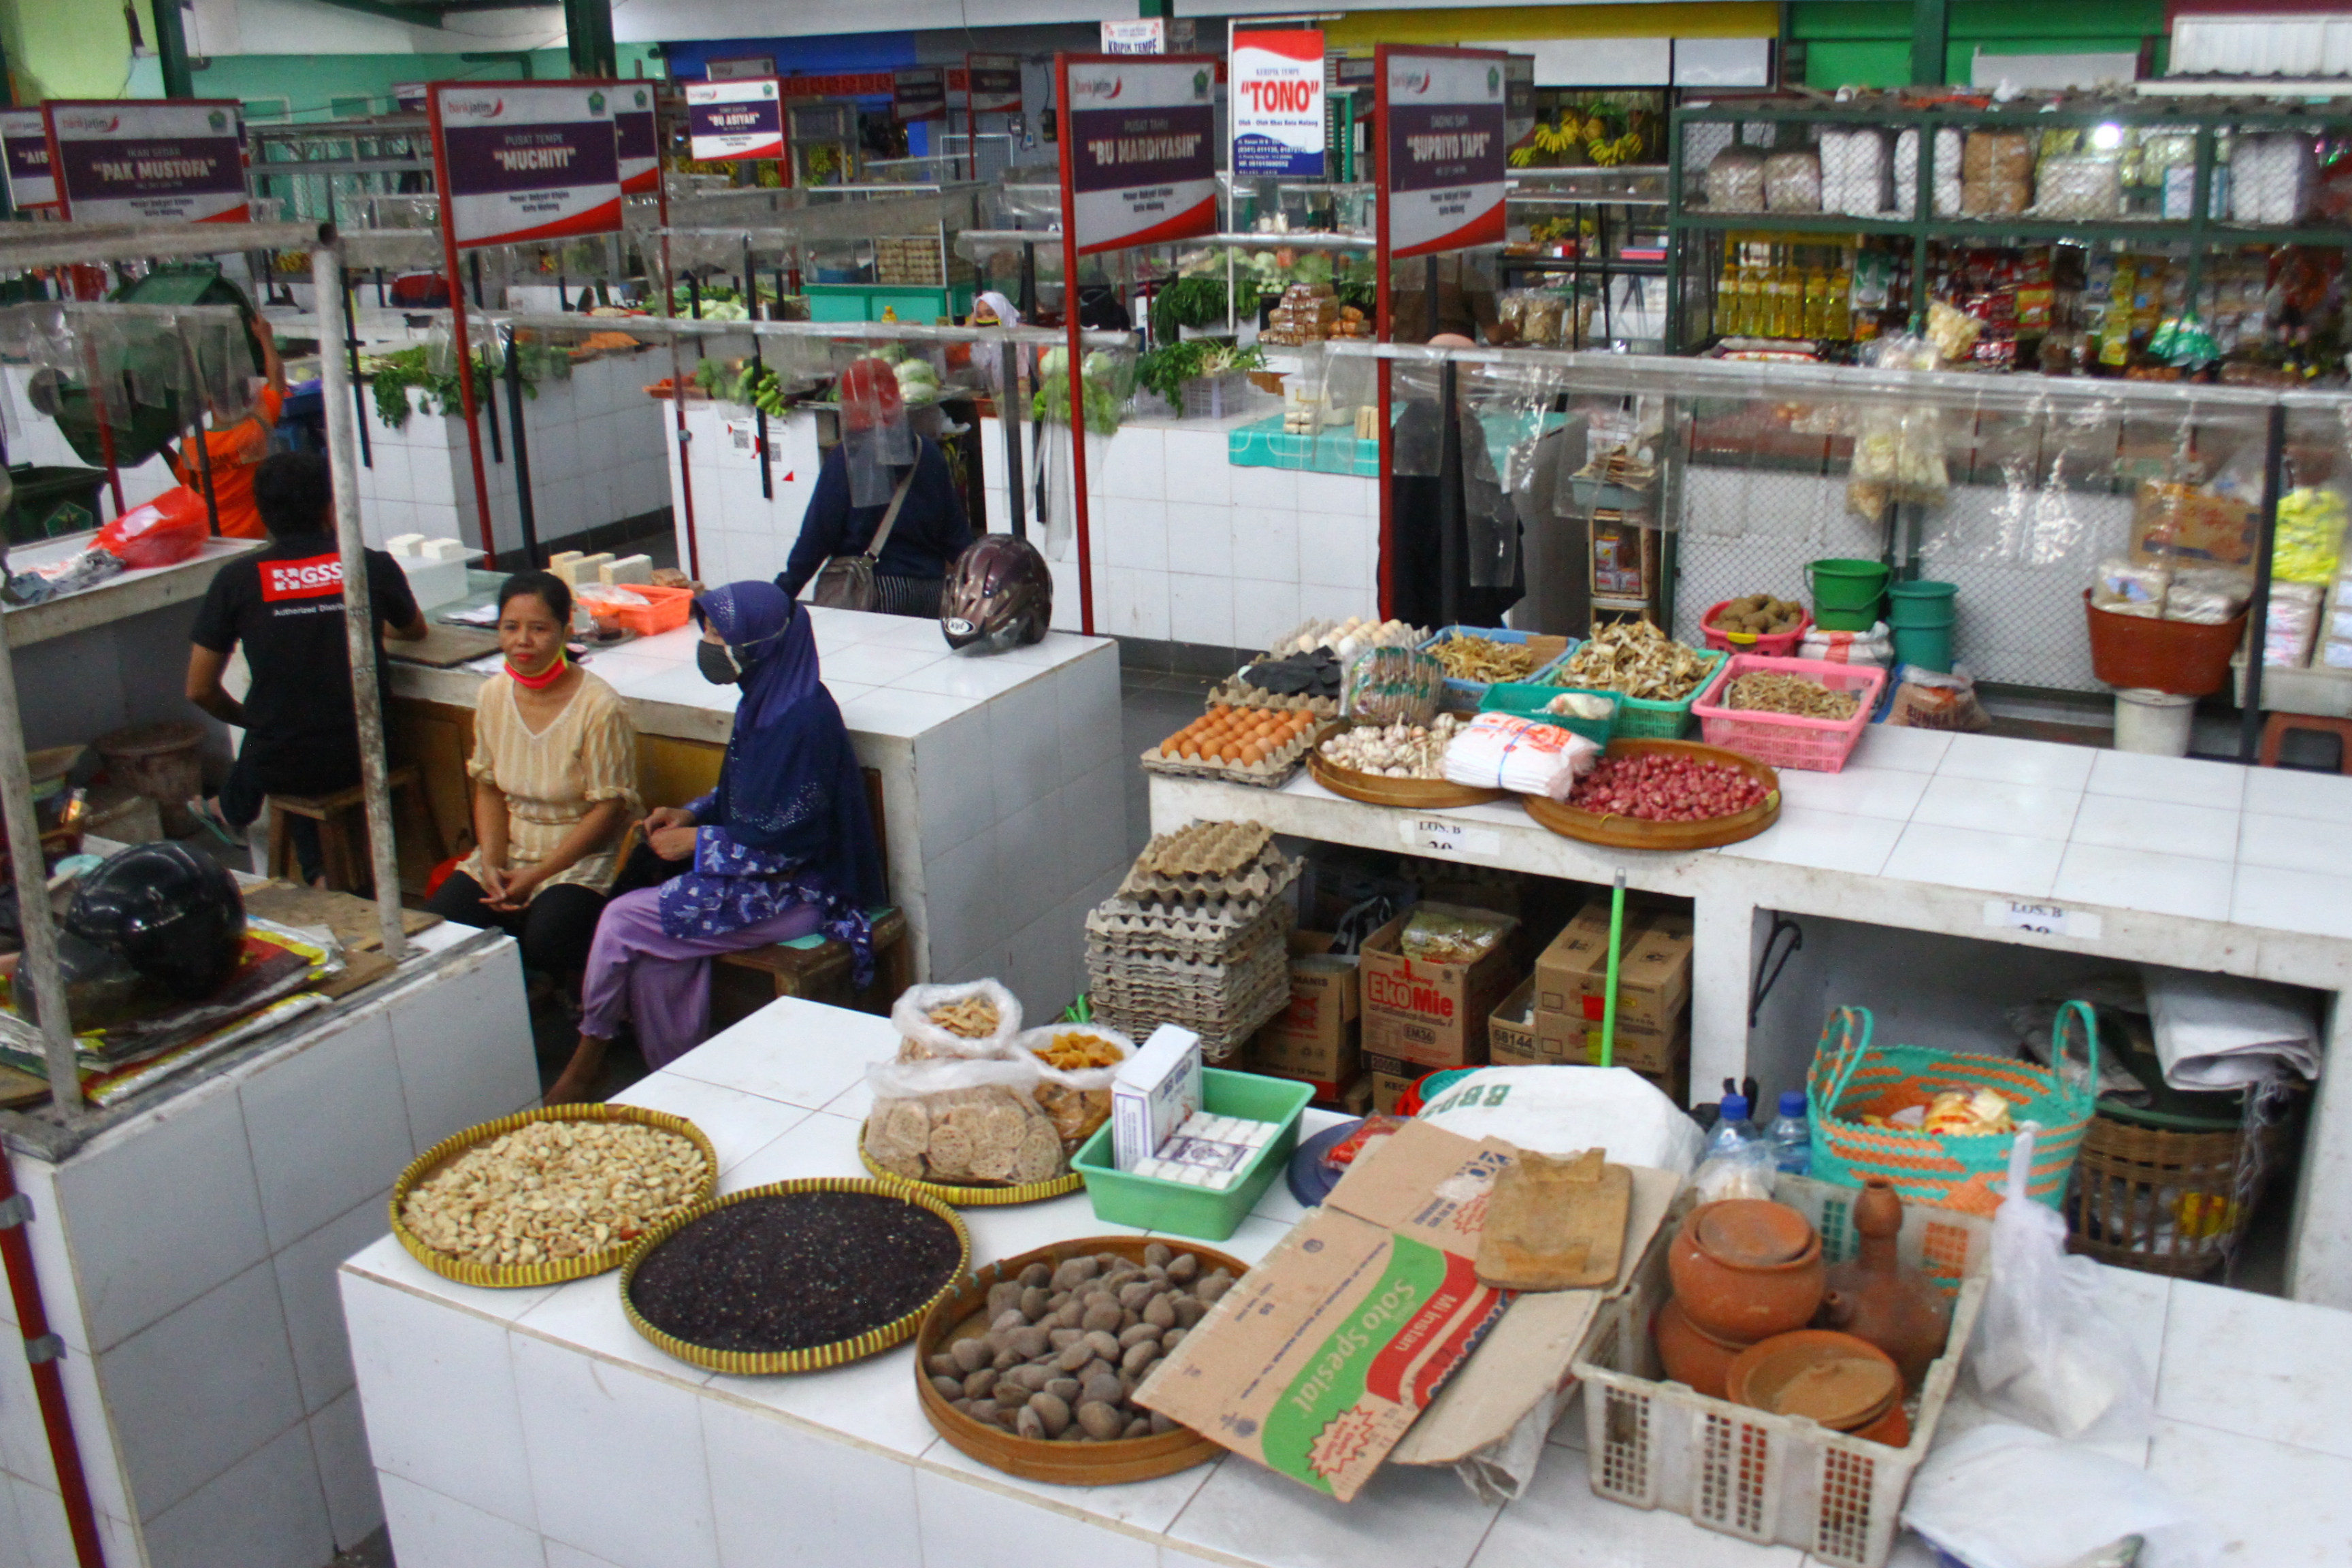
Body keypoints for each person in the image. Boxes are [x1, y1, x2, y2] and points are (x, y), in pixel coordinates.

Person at [546, 582, 884, 1102]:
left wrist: (697, 844)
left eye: (718, 633)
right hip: (756, 877)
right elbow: (740, 793)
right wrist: (692, 812)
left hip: (799, 892)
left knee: (620, 922)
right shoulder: (766, 702)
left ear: (762, 643)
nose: (709, 642)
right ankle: (682, 1083)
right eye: (707, 629)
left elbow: (790, 844)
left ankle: (588, 1057)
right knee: (660, 954)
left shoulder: (801, 723)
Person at [185, 452, 427, 885]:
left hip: (282, 760)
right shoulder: (368, 565)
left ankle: (315, 873)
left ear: (261, 512)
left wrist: (250, 720)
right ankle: (332, 876)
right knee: (298, 731)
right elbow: (414, 630)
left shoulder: (237, 580)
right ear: (332, 507)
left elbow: (199, 689)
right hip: (372, 751)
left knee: (284, 733)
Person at [423, 572, 639, 985]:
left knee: (549, 937)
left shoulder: (600, 707)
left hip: (583, 857)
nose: (523, 640)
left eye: (539, 628)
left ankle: (584, 998)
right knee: (446, 923)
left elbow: (609, 811)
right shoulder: (492, 695)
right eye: (511, 627)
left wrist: (534, 878)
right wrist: (490, 863)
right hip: (512, 850)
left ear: (566, 631)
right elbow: (488, 788)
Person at [776, 357, 972, 617]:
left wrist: (780, 594)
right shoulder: (928, 453)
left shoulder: (847, 459)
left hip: (873, 592)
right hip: (931, 594)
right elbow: (956, 535)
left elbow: (817, 538)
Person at [163, 306, 289, 540]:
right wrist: (265, 337)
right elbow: (277, 381)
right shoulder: (255, 430)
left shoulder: (193, 447)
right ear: (245, 399)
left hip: (214, 536)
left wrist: (160, 444)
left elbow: (186, 481)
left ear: (209, 401)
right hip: (256, 533)